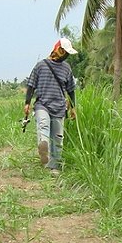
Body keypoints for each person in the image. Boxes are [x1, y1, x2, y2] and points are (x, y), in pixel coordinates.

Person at [24, 38, 77, 172]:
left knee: (58, 138)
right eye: (64, 52)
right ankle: (44, 146)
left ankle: (54, 167)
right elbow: (31, 85)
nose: (66, 56)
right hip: (43, 104)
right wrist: (27, 103)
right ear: (58, 50)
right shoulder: (40, 66)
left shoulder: (67, 68)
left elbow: (71, 90)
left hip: (59, 107)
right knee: (43, 125)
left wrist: (73, 108)